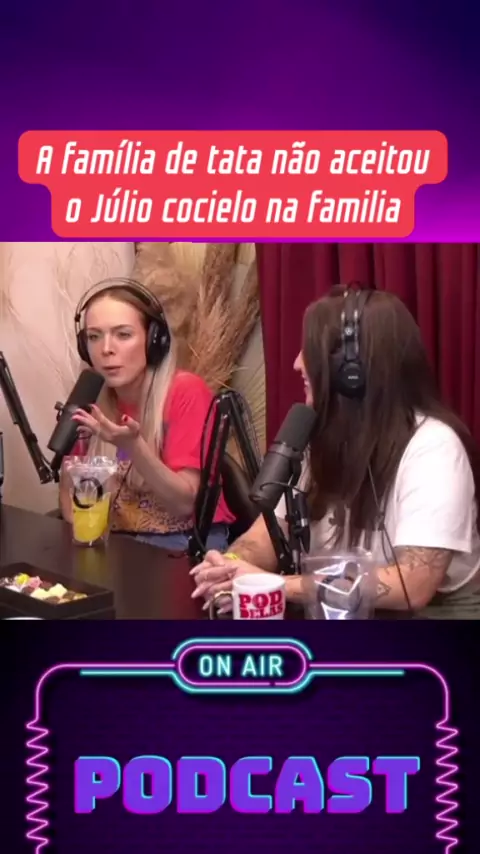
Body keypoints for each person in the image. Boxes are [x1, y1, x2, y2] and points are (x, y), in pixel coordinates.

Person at [191, 285, 480, 616]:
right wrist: (231, 565)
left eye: (310, 351)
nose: (297, 363)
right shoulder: (320, 435)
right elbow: (266, 535)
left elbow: (411, 585)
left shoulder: (434, 447)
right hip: (346, 609)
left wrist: (276, 584)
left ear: (352, 371)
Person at [59, 276, 235, 551]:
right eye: (94, 337)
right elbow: (70, 498)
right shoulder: (90, 397)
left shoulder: (185, 392)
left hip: (182, 543)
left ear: (154, 341)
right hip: (115, 543)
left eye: (123, 335)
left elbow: (184, 504)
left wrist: (132, 447)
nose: (106, 349)